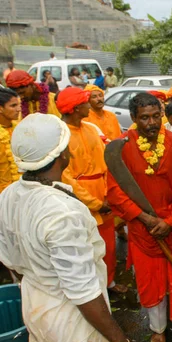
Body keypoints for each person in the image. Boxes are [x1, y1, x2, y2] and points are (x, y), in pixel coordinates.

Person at [0, 114, 137, 342]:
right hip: (73, 321)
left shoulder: (9, 195)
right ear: (63, 154)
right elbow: (82, 291)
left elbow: (11, 259)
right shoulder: (62, 213)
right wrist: (119, 340)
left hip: (37, 305)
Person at [106, 93, 172, 342]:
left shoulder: (171, 141)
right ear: (134, 119)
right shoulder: (123, 146)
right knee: (151, 279)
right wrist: (145, 219)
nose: (151, 123)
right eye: (144, 118)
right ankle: (157, 327)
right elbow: (115, 191)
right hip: (142, 226)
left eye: (156, 116)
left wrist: (170, 221)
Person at [56, 87, 125, 295]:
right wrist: (94, 203)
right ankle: (90, 291)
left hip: (104, 195)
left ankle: (109, 283)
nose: (90, 106)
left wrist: (108, 194)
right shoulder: (61, 136)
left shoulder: (91, 128)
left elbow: (107, 162)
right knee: (84, 248)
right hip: (79, 201)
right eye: (86, 103)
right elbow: (66, 177)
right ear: (76, 109)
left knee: (108, 247)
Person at [0, 88, 20, 194]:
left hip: (20, 192)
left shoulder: (20, 129)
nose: (18, 109)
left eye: (18, 105)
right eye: (13, 106)